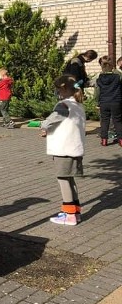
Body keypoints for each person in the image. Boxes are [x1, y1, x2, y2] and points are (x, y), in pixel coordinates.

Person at [40, 75, 86, 226]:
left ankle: (69, 215)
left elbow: (51, 120)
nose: (56, 92)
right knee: (69, 179)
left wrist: (43, 126)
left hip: (64, 149)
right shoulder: (78, 105)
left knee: (63, 179)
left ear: (63, 88)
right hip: (74, 148)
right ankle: (75, 212)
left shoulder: (63, 105)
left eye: (57, 89)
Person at [94, 58, 122, 147]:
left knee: (104, 121)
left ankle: (104, 140)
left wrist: (97, 102)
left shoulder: (99, 79)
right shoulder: (117, 78)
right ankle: (121, 140)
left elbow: (97, 92)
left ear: (102, 68)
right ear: (112, 68)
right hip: (116, 101)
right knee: (117, 121)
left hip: (104, 102)